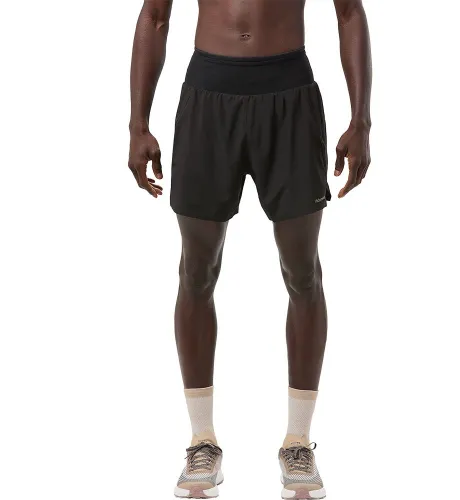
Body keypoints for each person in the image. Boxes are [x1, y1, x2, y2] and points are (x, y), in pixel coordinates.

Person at [128, 1, 372, 498]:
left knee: (303, 273)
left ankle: (298, 443)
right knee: (196, 271)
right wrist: (137, 123)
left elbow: (349, 12)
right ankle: (202, 441)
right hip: (208, 95)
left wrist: (361, 120)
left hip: (290, 96)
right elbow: (154, 16)